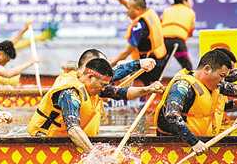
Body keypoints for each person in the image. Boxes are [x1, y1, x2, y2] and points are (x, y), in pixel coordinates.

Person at [27, 58, 163, 151]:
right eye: (102, 85)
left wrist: (147, 88)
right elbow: (73, 130)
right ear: (90, 77)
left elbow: (121, 91)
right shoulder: (70, 94)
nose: (104, 89)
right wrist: (95, 156)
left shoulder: (93, 84)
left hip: (66, 140)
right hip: (45, 142)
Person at [154, 50, 237, 153]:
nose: (224, 80)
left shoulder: (214, 84)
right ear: (207, 69)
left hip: (199, 141)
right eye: (222, 76)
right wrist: (194, 143)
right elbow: (171, 114)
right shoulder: (182, 86)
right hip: (176, 145)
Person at [110, 0, 167, 85]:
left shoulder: (139, 26)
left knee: (119, 65)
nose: (127, 11)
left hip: (150, 66)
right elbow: (133, 6)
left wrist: (110, 64)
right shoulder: (150, 13)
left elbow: (126, 53)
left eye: (128, 9)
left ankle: (128, 97)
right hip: (160, 58)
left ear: (137, 9)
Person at [161, 0, 196, 70]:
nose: (191, 3)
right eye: (190, 1)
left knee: (159, 65)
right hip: (178, 42)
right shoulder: (190, 12)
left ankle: (150, 81)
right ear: (184, 1)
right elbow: (191, 31)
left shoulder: (167, 10)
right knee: (187, 67)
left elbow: (160, 24)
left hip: (164, 42)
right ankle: (188, 81)